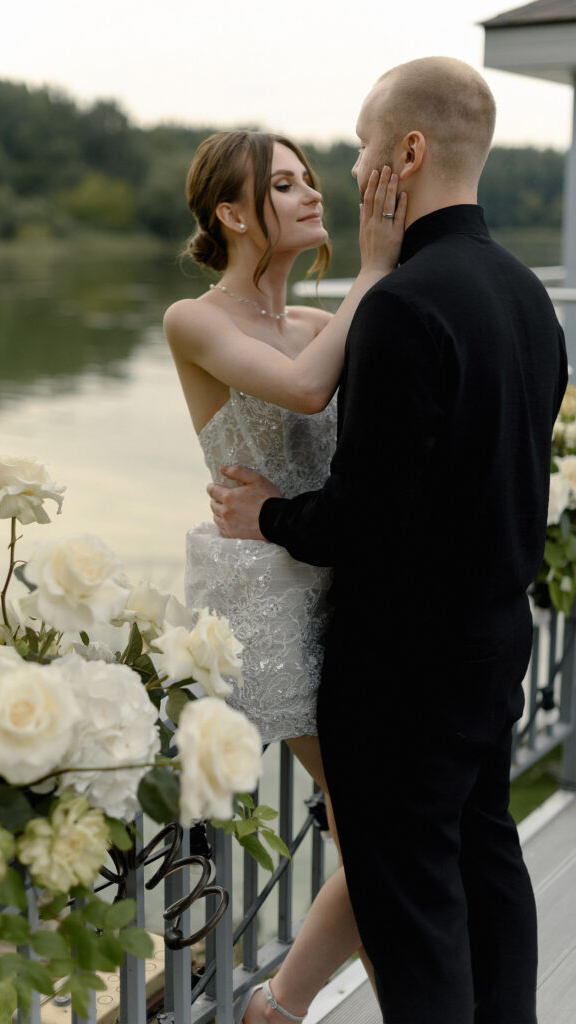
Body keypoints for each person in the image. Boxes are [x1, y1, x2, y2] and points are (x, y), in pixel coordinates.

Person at [207, 58, 568, 1024]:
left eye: (365, 148)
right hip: (495, 642)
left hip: (403, 668)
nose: (354, 169)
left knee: (412, 913)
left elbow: (360, 517)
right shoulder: (523, 293)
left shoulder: (404, 303)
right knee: (487, 861)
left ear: (406, 155)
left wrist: (267, 515)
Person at [164, 129, 406, 1021]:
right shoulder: (194, 319)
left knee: (376, 827)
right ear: (231, 214)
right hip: (264, 599)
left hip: (337, 578)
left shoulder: (313, 324)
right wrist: (373, 268)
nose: (312, 194)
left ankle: (278, 1006)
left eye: (310, 179)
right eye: (284, 185)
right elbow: (304, 391)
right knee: (379, 826)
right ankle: (296, 1003)